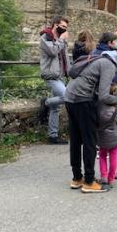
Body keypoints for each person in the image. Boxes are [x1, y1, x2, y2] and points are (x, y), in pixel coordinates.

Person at [65, 32, 117, 193]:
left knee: (76, 141)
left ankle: (77, 178)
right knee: (90, 142)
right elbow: (104, 96)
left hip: (69, 97)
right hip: (82, 101)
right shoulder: (108, 64)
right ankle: (90, 182)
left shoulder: (95, 57)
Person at [39, 15, 70, 144]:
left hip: (60, 75)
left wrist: (69, 71)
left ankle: (52, 136)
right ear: (55, 25)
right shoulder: (45, 38)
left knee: (55, 108)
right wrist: (62, 40)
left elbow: (65, 56)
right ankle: (46, 102)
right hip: (50, 75)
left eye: (66, 27)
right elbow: (53, 51)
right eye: (63, 26)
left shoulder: (60, 39)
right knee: (67, 96)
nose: (65, 29)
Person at [97, 84, 117, 187]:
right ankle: (111, 179)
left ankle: (103, 176)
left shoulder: (100, 106)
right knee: (114, 157)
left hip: (102, 136)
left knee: (102, 155)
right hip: (115, 136)